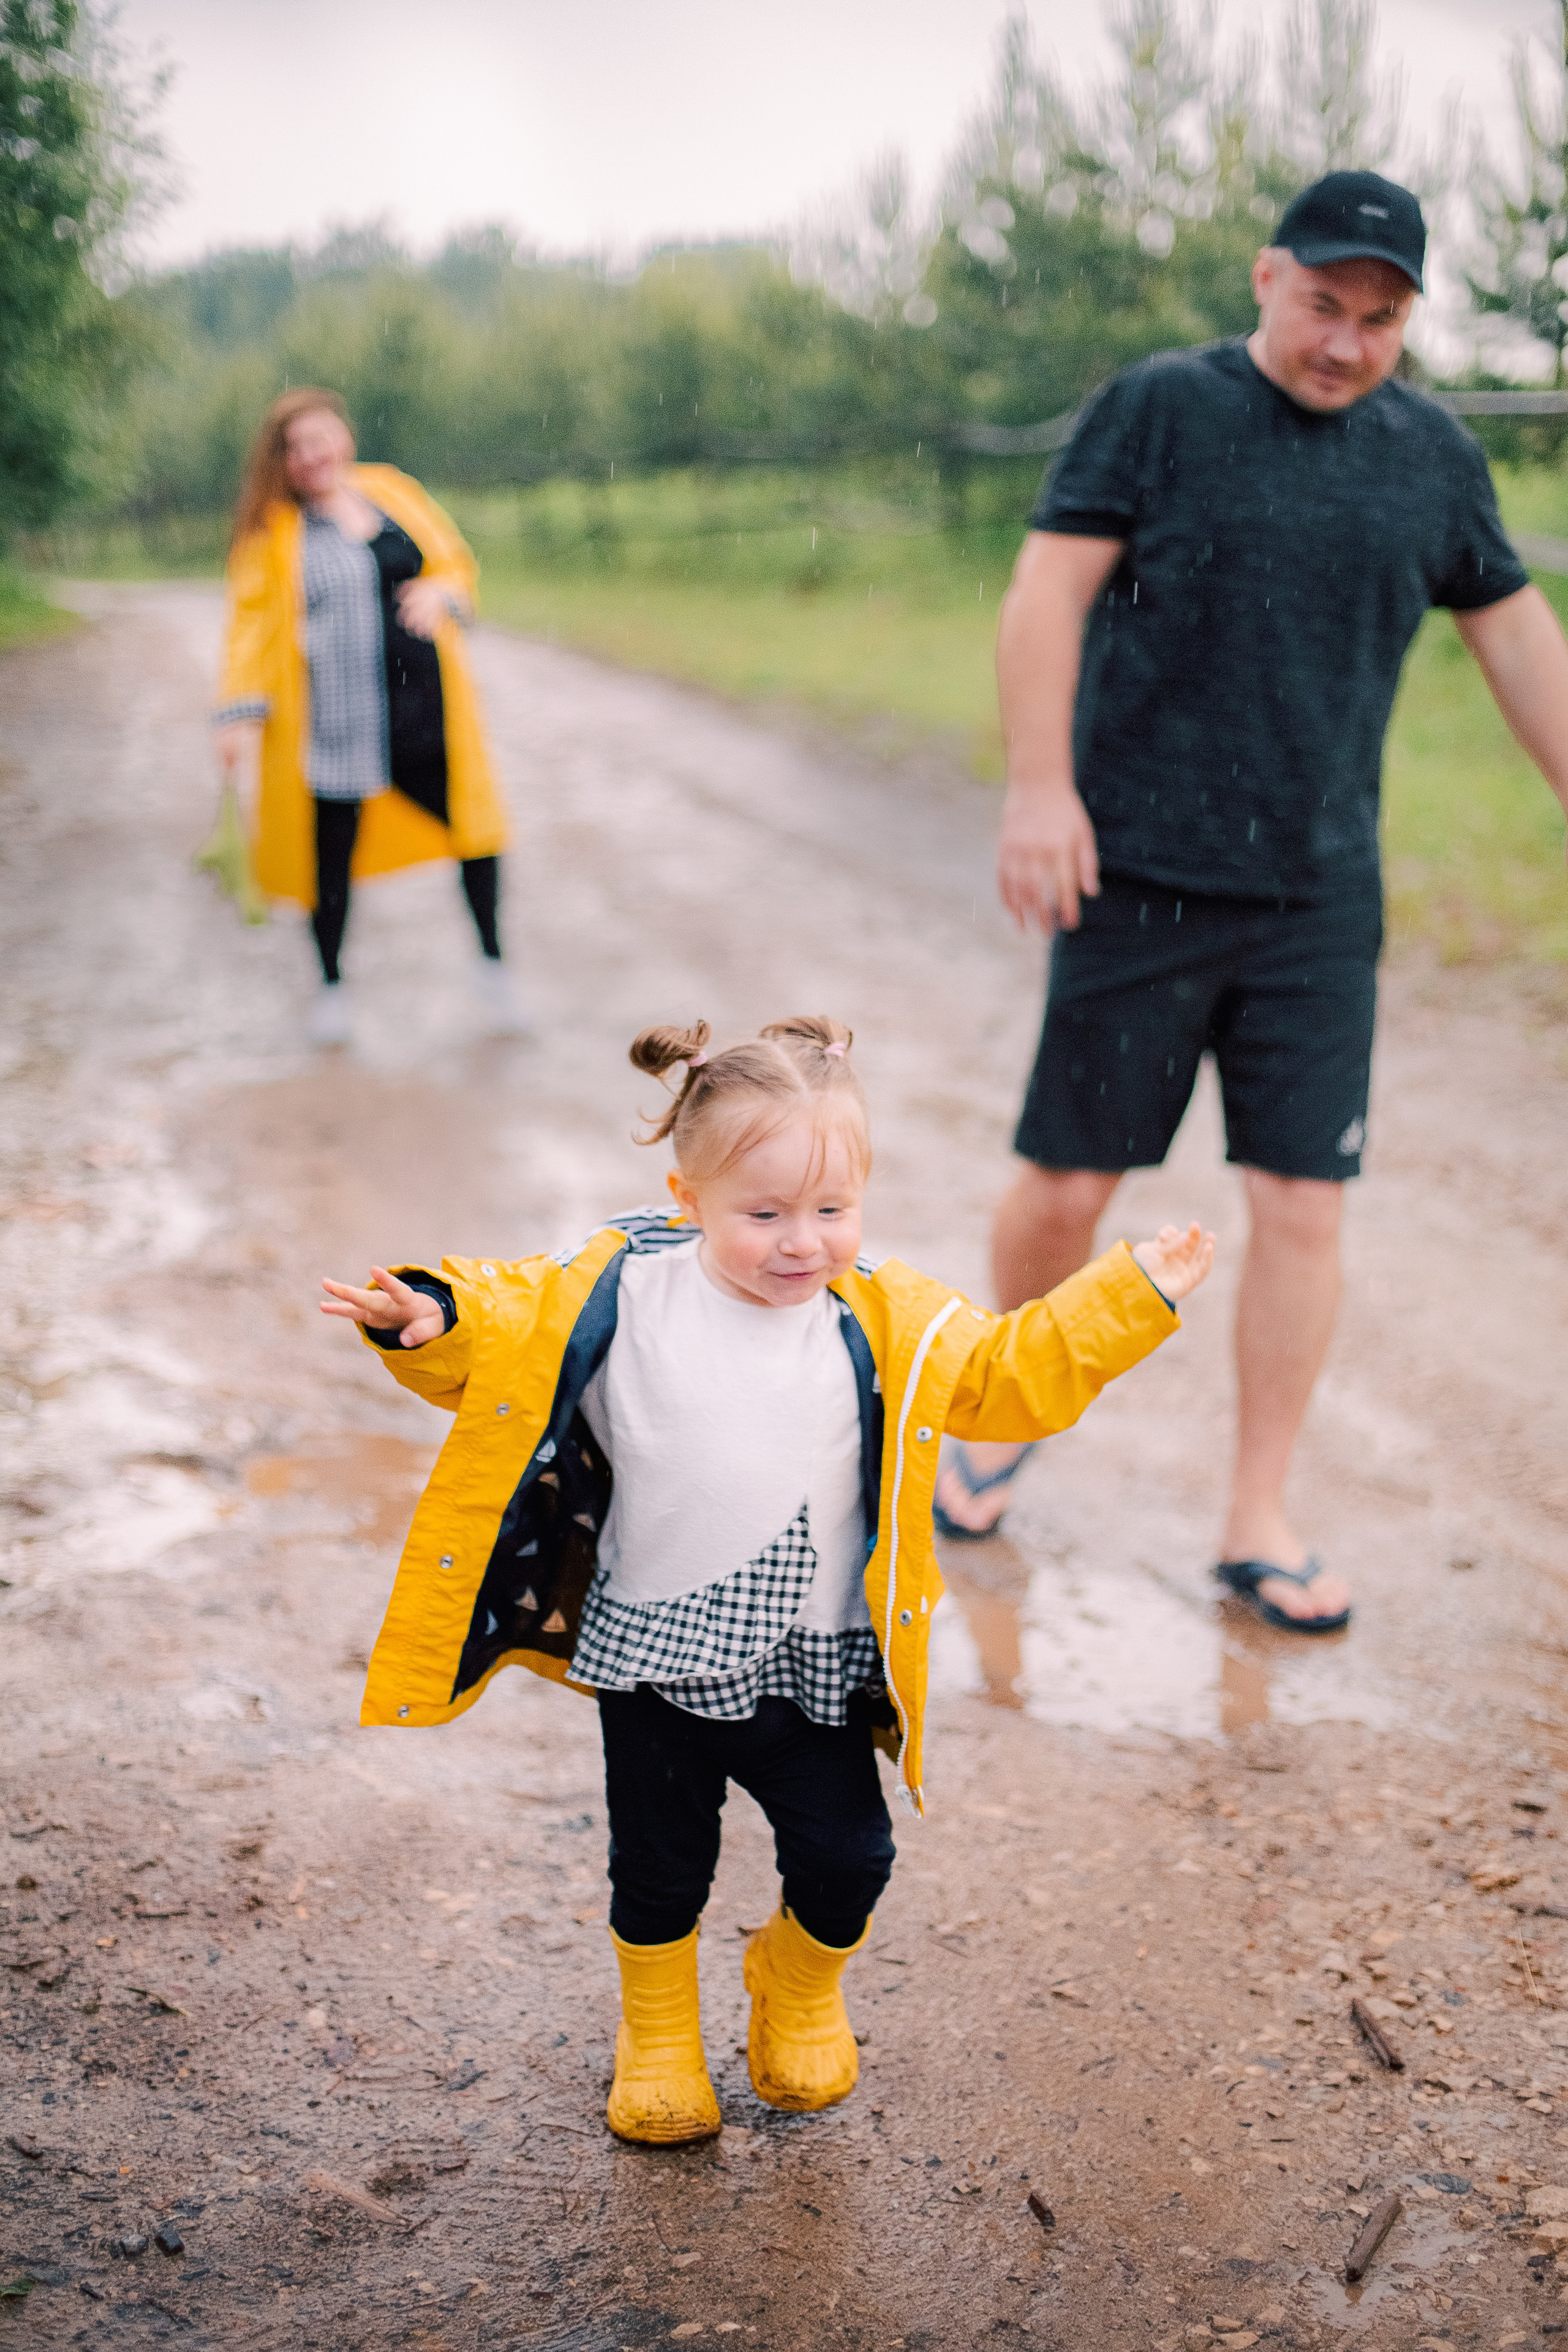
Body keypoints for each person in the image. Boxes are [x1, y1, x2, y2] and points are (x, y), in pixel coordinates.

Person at [320, 1014, 1213, 2143]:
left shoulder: (881, 1316)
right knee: (658, 1870)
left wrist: (1129, 1297)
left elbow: (1006, 1375)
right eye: (765, 1214)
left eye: (832, 1211)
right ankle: (657, 2037)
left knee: (851, 1858)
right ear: (687, 1198)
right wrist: (428, 1318)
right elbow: (499, 1324)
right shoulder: (623, 1292)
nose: (803, 1243)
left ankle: (794, 1980)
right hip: (654, 1663)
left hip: (811, 1664)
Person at [935, 170, 1568, 1634]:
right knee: (1070, 1186)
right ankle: (996, 1410)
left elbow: (1518, 643)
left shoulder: (1431, 458)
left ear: (1408, 322)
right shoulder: (1159, 409)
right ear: (1265, 277)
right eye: (1322, 305)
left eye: (1378, 320)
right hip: (1136, 874)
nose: (1343, 343)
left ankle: (1255, 1515)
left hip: (1316, 897)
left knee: (1298, 1200)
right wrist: (1039, 789)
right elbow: (1043, 594)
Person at [213, 387, 526, 1045]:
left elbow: (453, 564)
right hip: (335, 723)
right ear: (280, 461)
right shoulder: (274, 528)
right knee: (327, 861)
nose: (311, 455)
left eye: (321, 438)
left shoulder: (392, 492)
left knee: (477, 834)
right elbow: (250, 625)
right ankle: (331, 985)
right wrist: (235, 715)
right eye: (295, 447)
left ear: (344, 438)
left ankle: (493, 968)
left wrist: (443, 592)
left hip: (424, 709)